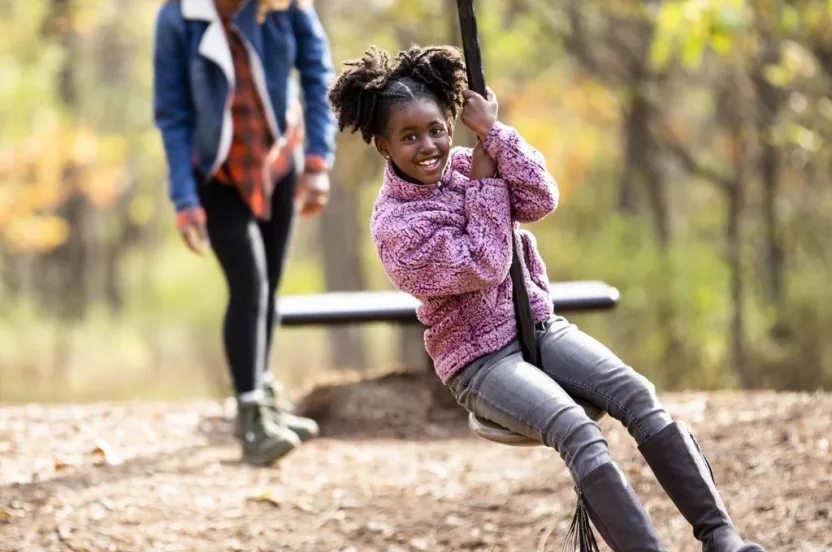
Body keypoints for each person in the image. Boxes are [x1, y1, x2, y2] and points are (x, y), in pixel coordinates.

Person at [327, 44, 766, 552]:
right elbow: (485, 264)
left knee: (639, 396)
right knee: (577, 431)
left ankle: (721, 537)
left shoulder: (472, 162)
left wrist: (494, 133)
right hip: (480, 362)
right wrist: (487, 185)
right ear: (384, 146)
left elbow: (541, 196)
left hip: (537, 327)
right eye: (409, 137)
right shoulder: (397, 226)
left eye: (437, 130)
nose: (428, 146)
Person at [152, 0, 335, 466]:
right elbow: (172, 115)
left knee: (271, 285)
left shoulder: (285, 7)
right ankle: (250, 415)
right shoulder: (178, 19)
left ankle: (266, 397)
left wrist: (317, 163)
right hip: (217, 176)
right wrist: (184, 200)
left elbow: (317, 76)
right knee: (249, 284)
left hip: (278, 164)